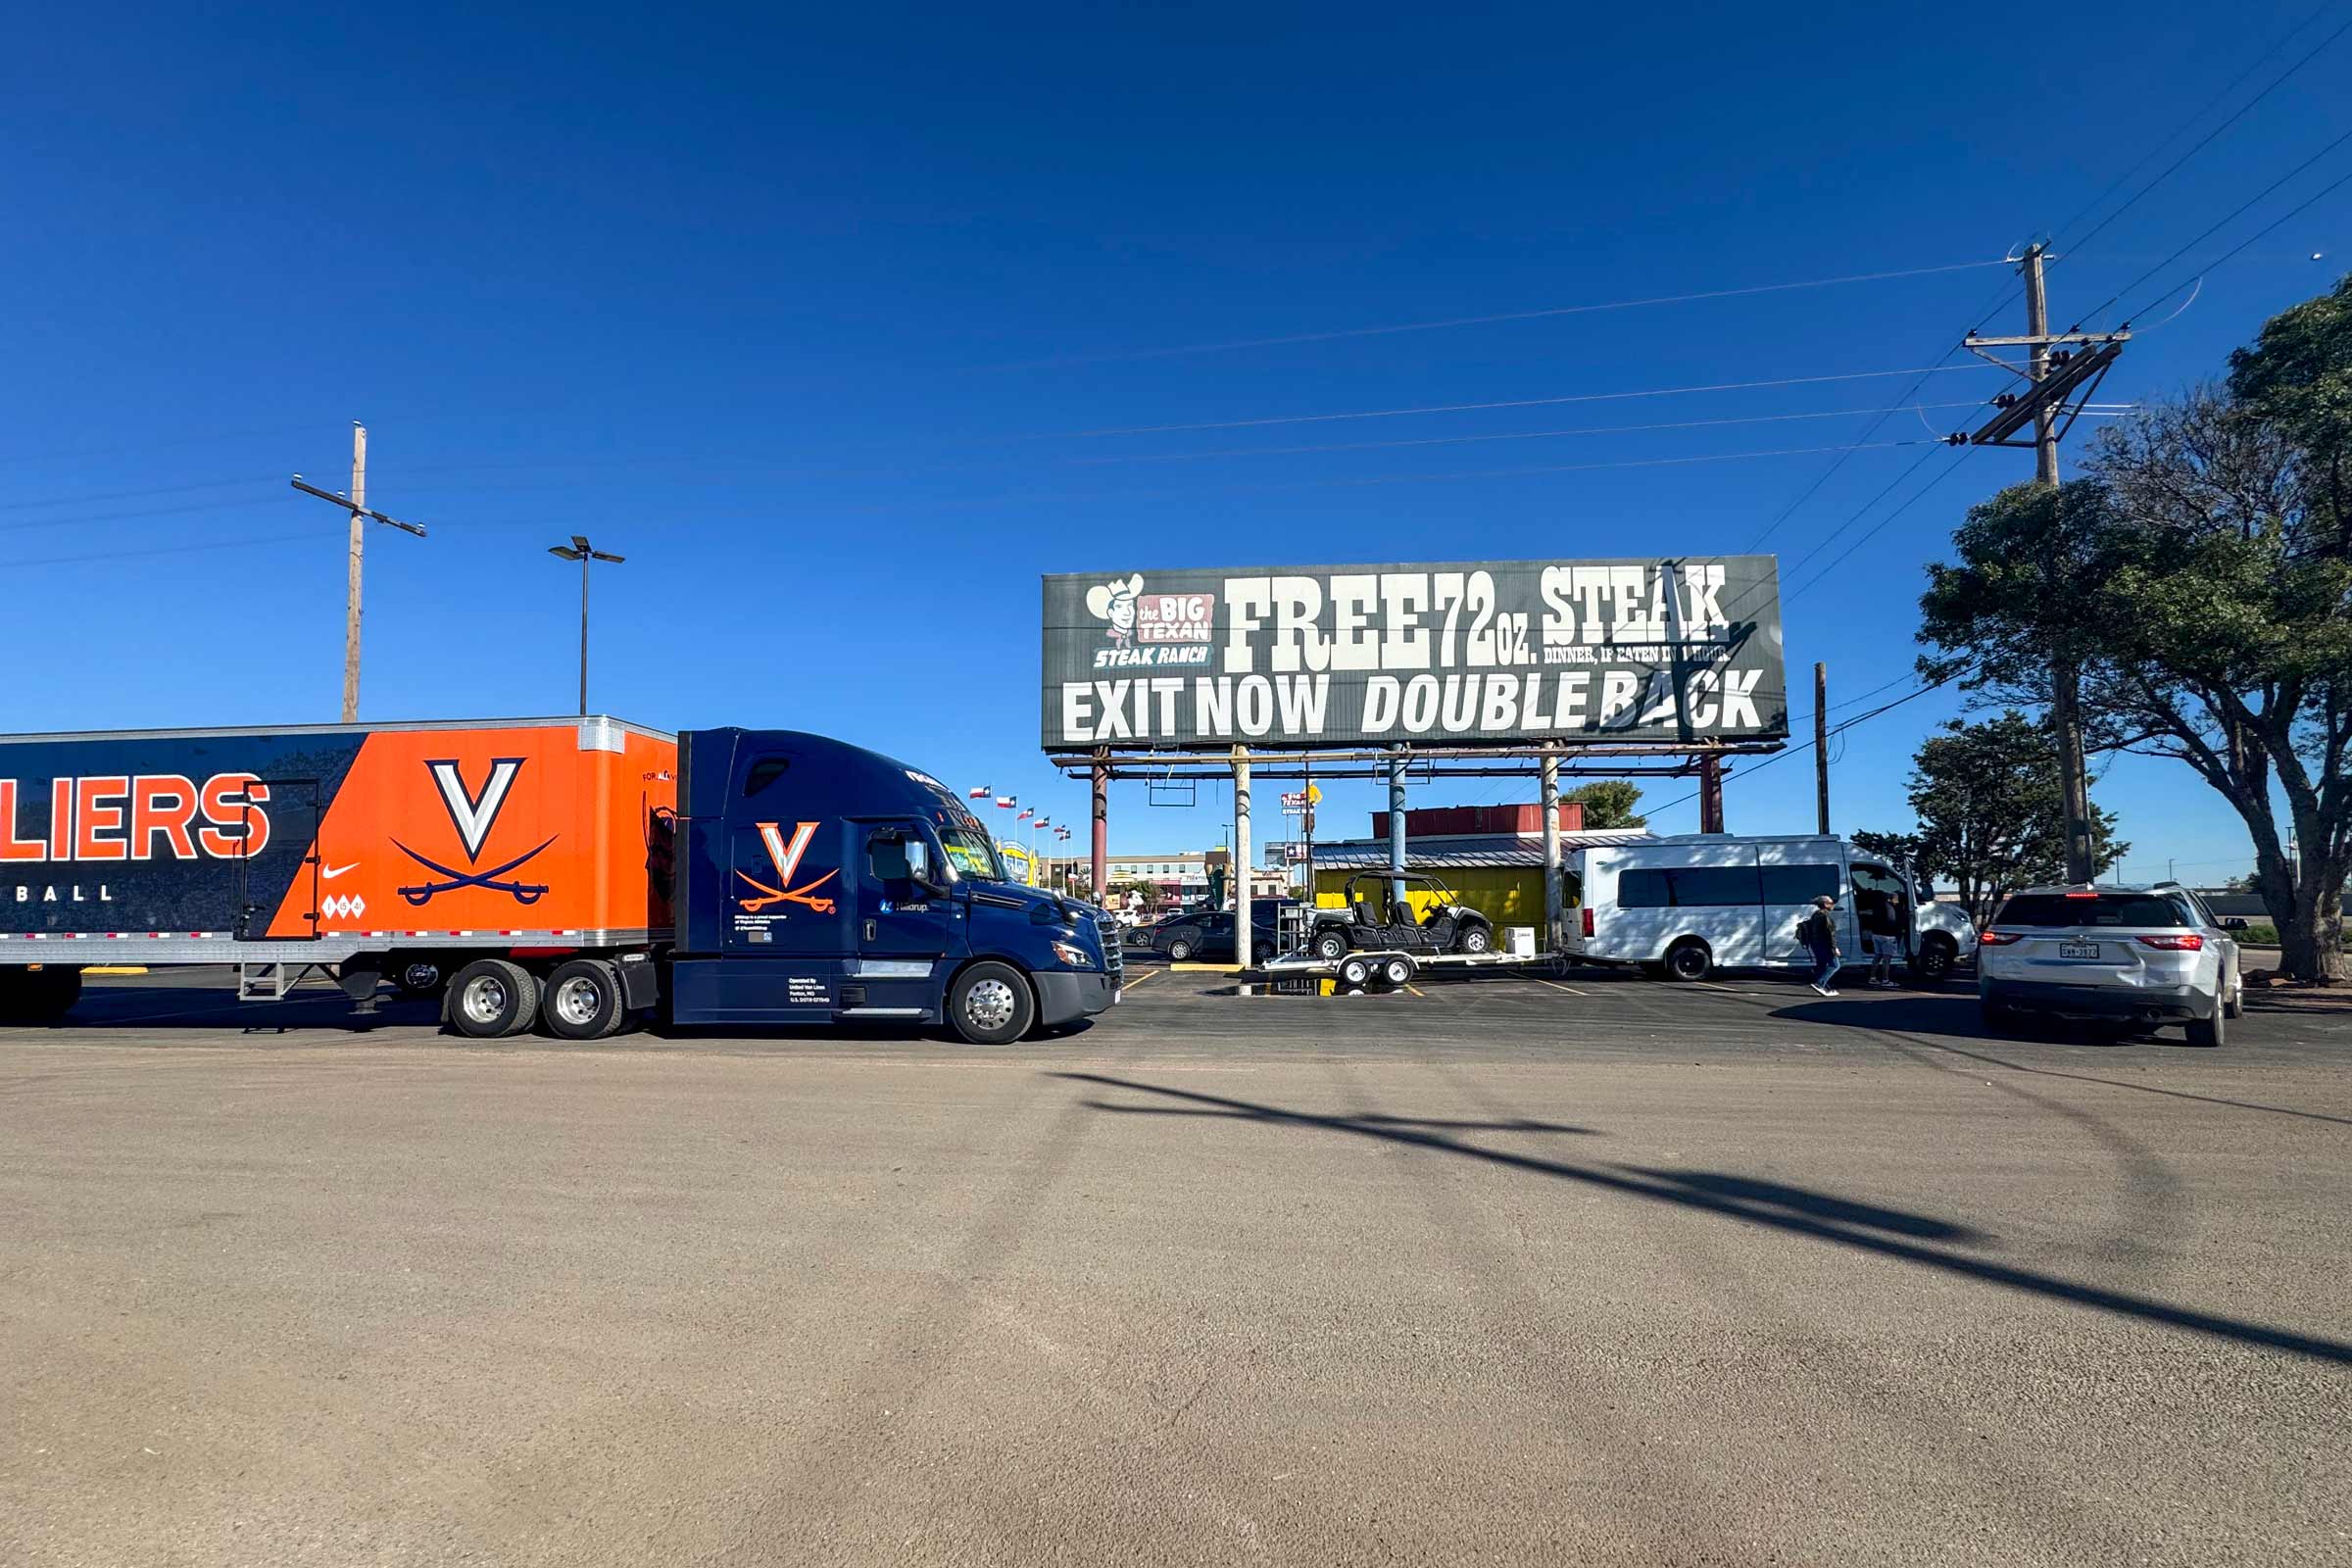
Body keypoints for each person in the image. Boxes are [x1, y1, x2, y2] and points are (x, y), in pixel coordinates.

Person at [1798, 894, 1841, 997]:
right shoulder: (1825, 916)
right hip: (1825, 945)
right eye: (1831, 903)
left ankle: (1827, 988)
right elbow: (1830, 934)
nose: (1833, 905)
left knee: (1821, 965)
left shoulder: (1816, 914)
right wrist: (1835, 947)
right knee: (1835, 965)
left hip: (1815, 944)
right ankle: (1820, 984)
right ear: (1826, 904)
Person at [1860, 889, 1900, 990]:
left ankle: (1872, 977)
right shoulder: (1890, 909)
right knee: (1887, 959)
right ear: (1890, 899)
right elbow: (1891, 921)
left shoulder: (1878, 907)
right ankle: (1885, 980)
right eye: (1896, 900)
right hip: (1888, 936)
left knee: (1877, 957)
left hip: (1876, 935)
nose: (1897, 902)